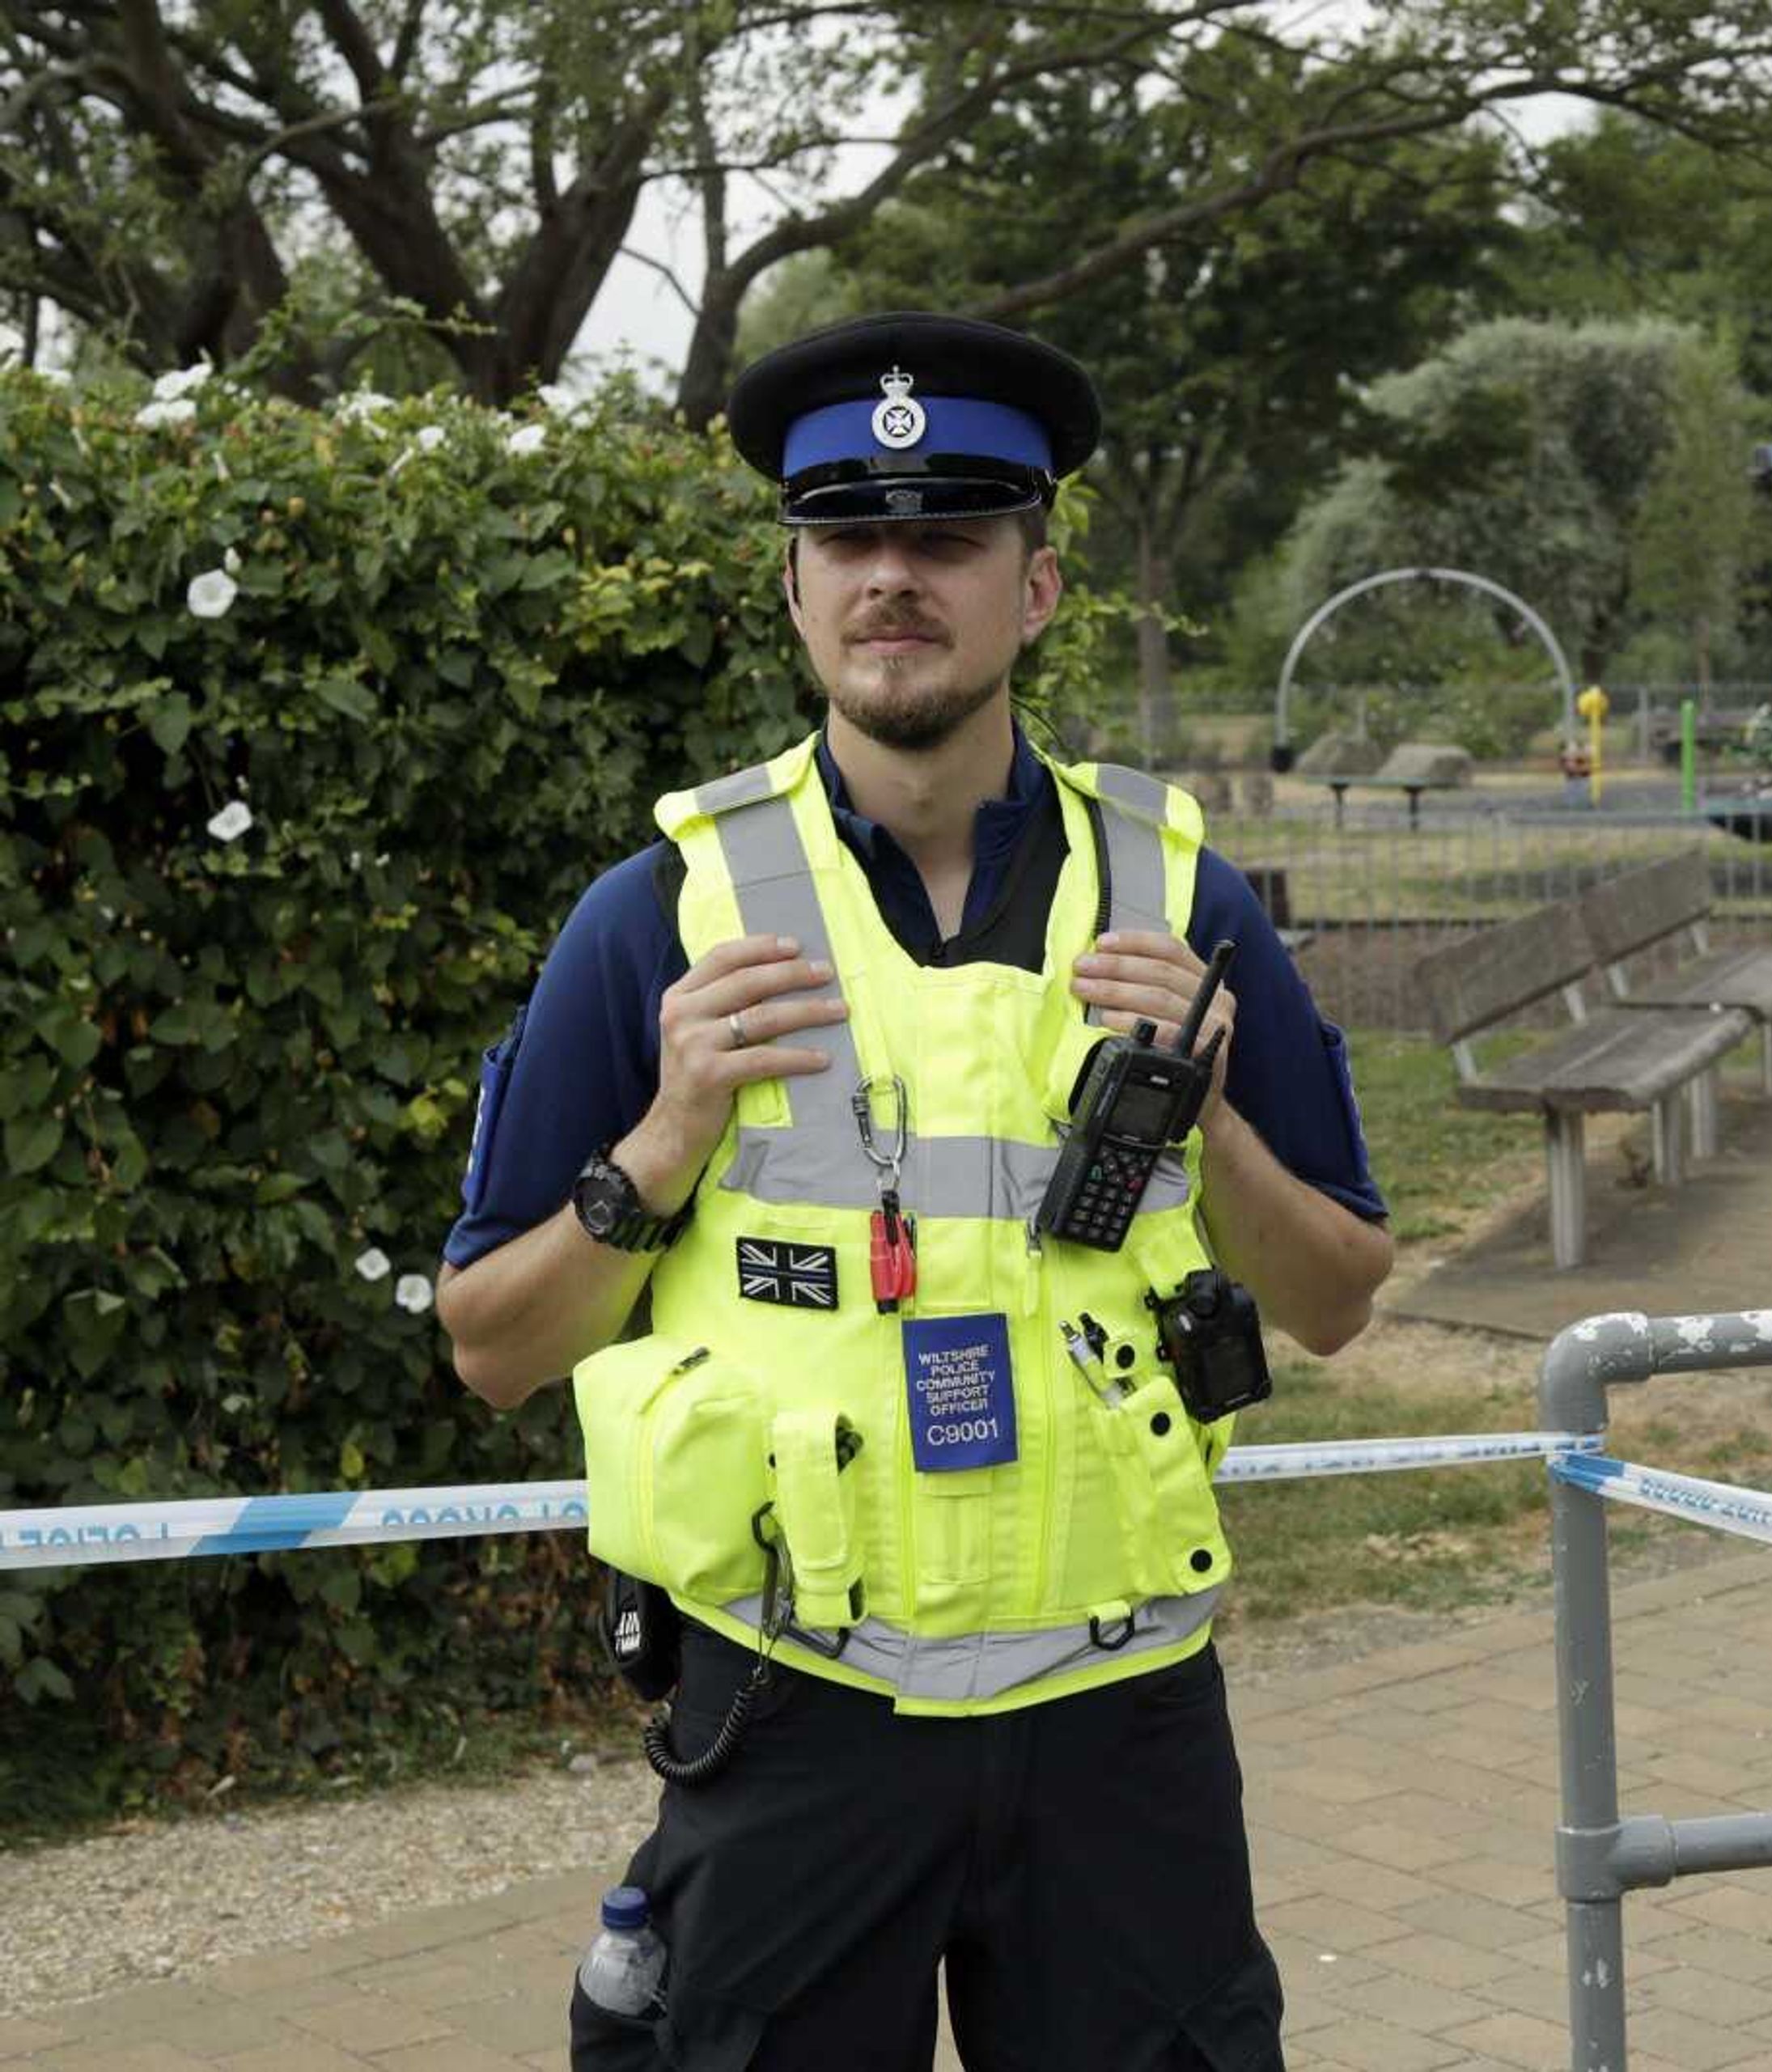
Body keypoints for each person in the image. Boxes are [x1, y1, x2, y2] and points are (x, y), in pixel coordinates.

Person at [435, 310, 1393, 2070]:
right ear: (795, 590)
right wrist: (662, 1139)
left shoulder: (1180, 898)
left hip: (1121, 1721)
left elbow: (1336, 1295)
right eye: (849, 543)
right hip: (797, 1718)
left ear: (1031, 588)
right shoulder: (659, 917)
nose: (894, 579)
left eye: (945, 539)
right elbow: (490, 1346)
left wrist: (1213, 1129)